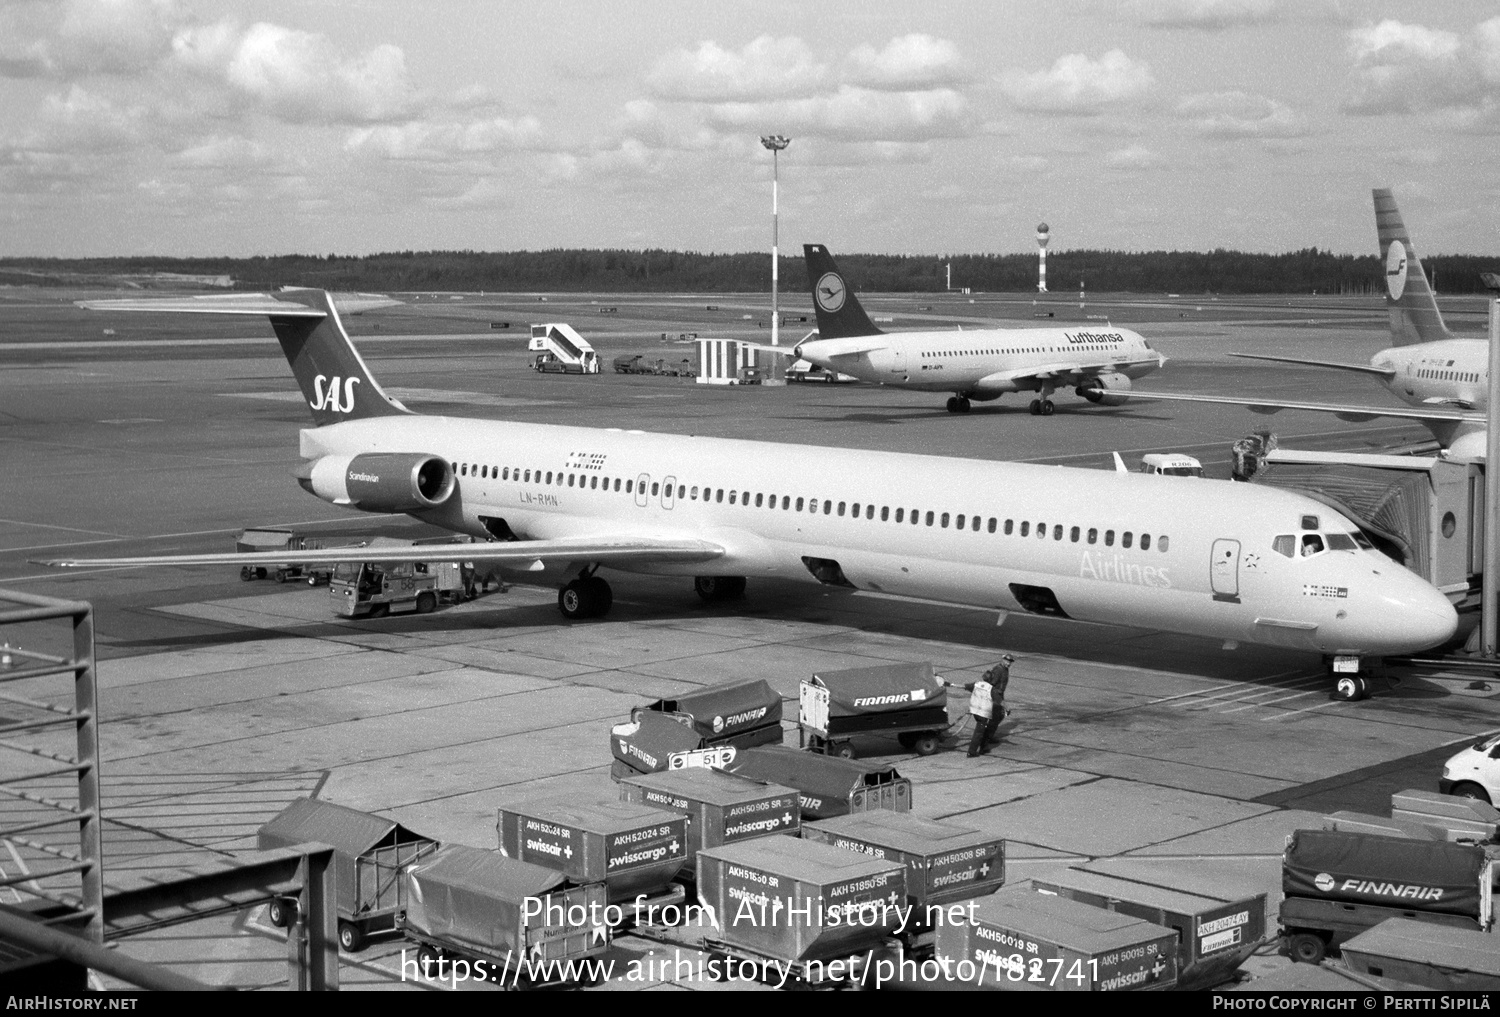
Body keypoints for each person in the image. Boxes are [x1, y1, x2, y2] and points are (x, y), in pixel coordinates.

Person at [947, 654, 1014, 757]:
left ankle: (984, 745)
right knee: (981, 730)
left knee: (990, 723)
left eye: (1010, 662)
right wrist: (1007, 707)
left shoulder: (977, 684)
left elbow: (965, 686)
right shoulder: (996, 676)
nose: (1008, 663)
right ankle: (973, 751)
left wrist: (950, 684)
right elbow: (997, 696)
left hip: (977, 709)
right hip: (986, 708)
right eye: (1007, 661)